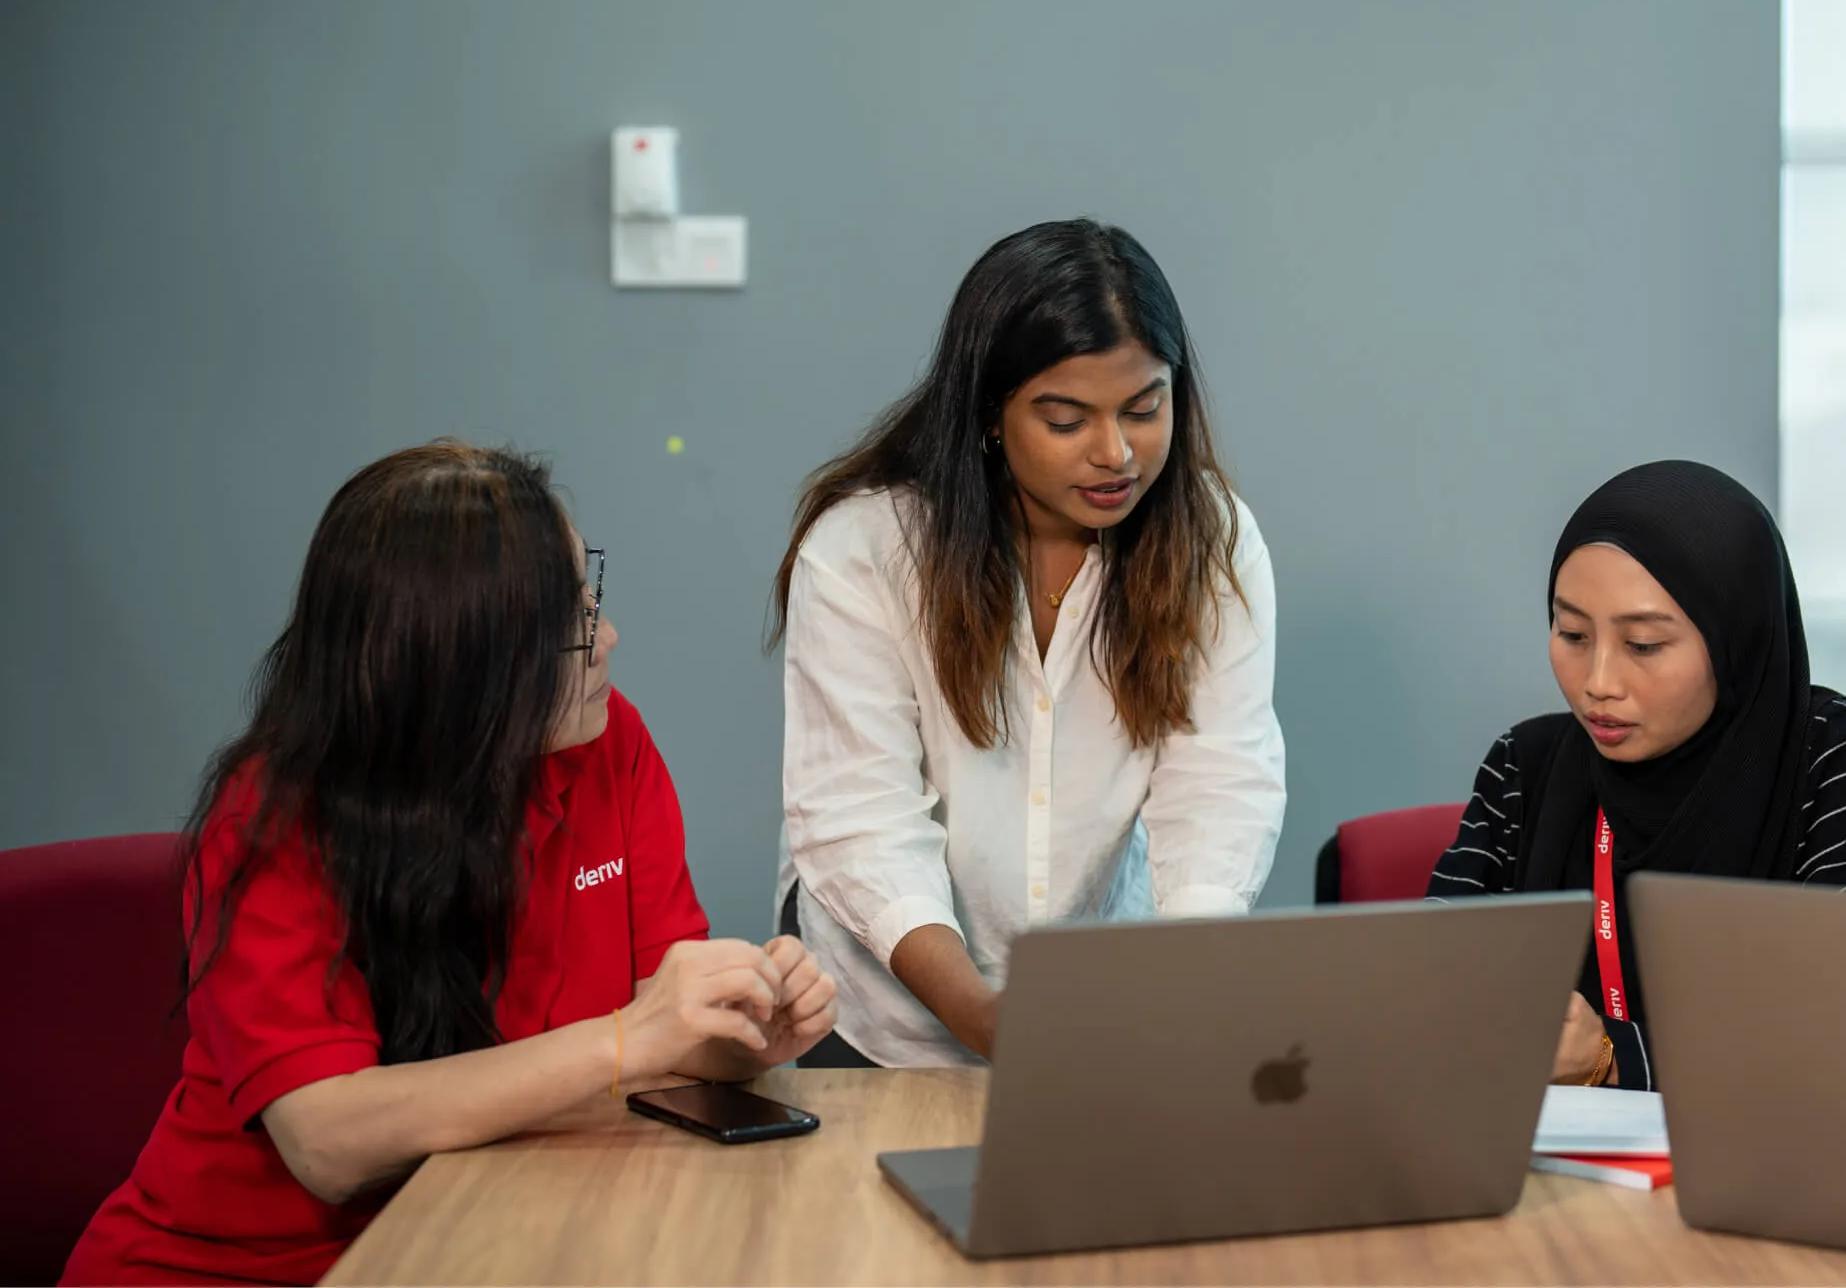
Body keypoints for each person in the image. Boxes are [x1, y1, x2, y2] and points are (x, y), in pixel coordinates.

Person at [65, 443, 837, 1286]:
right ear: (462, 668)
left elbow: (668, 1038)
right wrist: (626, 1040)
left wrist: (748, 1030)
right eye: (572, 625)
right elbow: (327, 1141)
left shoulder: (612, 747)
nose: (607, 636)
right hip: (252, 1267)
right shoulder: (271, 818)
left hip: (498, 1236)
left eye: (592, 597)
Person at [773, 219, 1283, 1068]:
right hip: (883, 1026)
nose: (1115, 452)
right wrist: (978, 1014)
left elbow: (1219, 785)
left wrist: (1183, 982)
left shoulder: (1214, 541)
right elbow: (860, 820)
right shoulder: (863, 550)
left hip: (1101, 1017)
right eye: (1066, 418)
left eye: (1144, 407)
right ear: (990, 413)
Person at [1428, 460, 1846, 1090]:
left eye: (1644, 646)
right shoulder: (1526, 768)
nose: (1598, 682)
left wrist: (1616, 1057)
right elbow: (1432, 987)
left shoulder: (1821, 756)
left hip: (1776, 1172)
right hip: (1556, 1178)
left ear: (1734, 640)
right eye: (1571, 632)